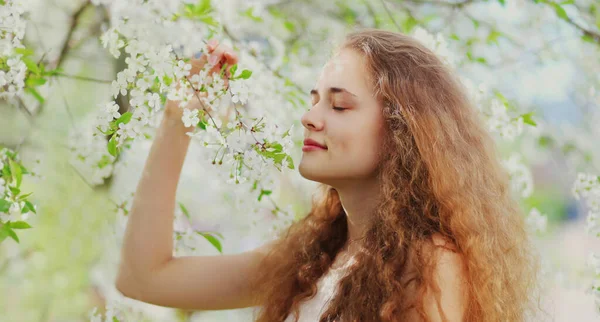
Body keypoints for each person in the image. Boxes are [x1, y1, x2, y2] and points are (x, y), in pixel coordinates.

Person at [116, 29, 541, 322]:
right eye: (314, 100)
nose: (308, 118)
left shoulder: (430, 264)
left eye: (339, 106)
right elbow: (143, 278)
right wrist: (180, 119)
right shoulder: (313, 260)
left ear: (403, 132)